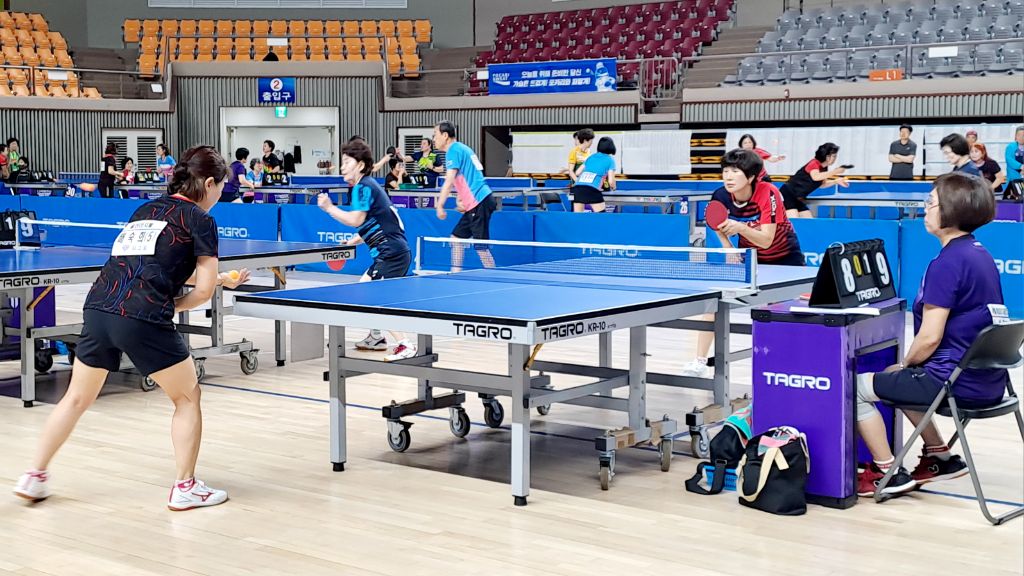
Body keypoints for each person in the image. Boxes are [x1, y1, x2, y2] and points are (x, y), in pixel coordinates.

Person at [13, 145, 251, 509]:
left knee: (75, 398)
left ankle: (35, 475)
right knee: (187, 397)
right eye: (220, 187)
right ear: (208, 183)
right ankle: (185, 487)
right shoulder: (201, 219)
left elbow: (157, 264)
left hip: (99, 307)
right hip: (141, 316)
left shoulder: (145, 210)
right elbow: (201, 292)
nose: (220, 194)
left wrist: (218, 278)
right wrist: (172, 305)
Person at [853, 173, 1006, 498]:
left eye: (931, 203)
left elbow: (929, 339)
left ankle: (886, 472)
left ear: (951, 210)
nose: (925, 209)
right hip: (988, 381)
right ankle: (939, 456)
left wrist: (905, 364)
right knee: (903, 376)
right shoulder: (980, 254)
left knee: (855, 388)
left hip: (954, 382)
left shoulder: (947, 264)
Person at [682, 149, 804, 378]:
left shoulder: (769, 193)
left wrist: (740, 228)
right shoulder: (721, 195)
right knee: (716, 303)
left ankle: (787, 362)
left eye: (735, 171)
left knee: (781, 313)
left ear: (750, 177)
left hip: (785, 257)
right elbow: (717, 224)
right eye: (725, 171)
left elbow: (766, 240)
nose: (728, 176)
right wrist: (729, 248)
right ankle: (699, 361)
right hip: (753, 259)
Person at [316, 140, 417, 361]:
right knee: (365, 291)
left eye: (346, 162)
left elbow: (355, 219)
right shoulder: (367, 185)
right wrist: (352, 242)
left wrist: (329, 208)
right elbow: (374, 223)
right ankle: (376, 337)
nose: (342, 167)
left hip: (391, 254)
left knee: (375, 297)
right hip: (394, 252)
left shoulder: (363, 187)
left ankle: (405, 344)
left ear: (360, 165)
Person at [434, 121, 497, 272]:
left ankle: (495, 276)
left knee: (481, 247)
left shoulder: (453, 150)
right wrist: (461, 199)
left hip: (479, 201)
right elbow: (467, 176)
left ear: (445, 135)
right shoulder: (461, 148)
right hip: (477, 202)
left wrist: (440, 205)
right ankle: (455, 274)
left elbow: (449, 181)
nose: (433, 139)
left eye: (435, 135)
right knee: (456, 238)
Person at [778, 142, 849, 218]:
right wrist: (835, 171)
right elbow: (816, 177)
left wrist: (836, 181)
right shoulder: (814, 163)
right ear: (827, 156)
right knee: (794, 219)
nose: (835, 158)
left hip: (798, 197)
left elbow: (822, 184)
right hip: (788, 194)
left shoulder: (824, 168)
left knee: (808, 220)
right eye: (834, 156)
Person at [571, 136, 617, 213]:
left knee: (578, 217)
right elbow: (611, 181)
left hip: (578, 187)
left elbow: (577, 172)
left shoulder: (591, 157)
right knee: (601, 217)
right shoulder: (610, 160)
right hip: (592, 189)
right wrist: (614, 187)